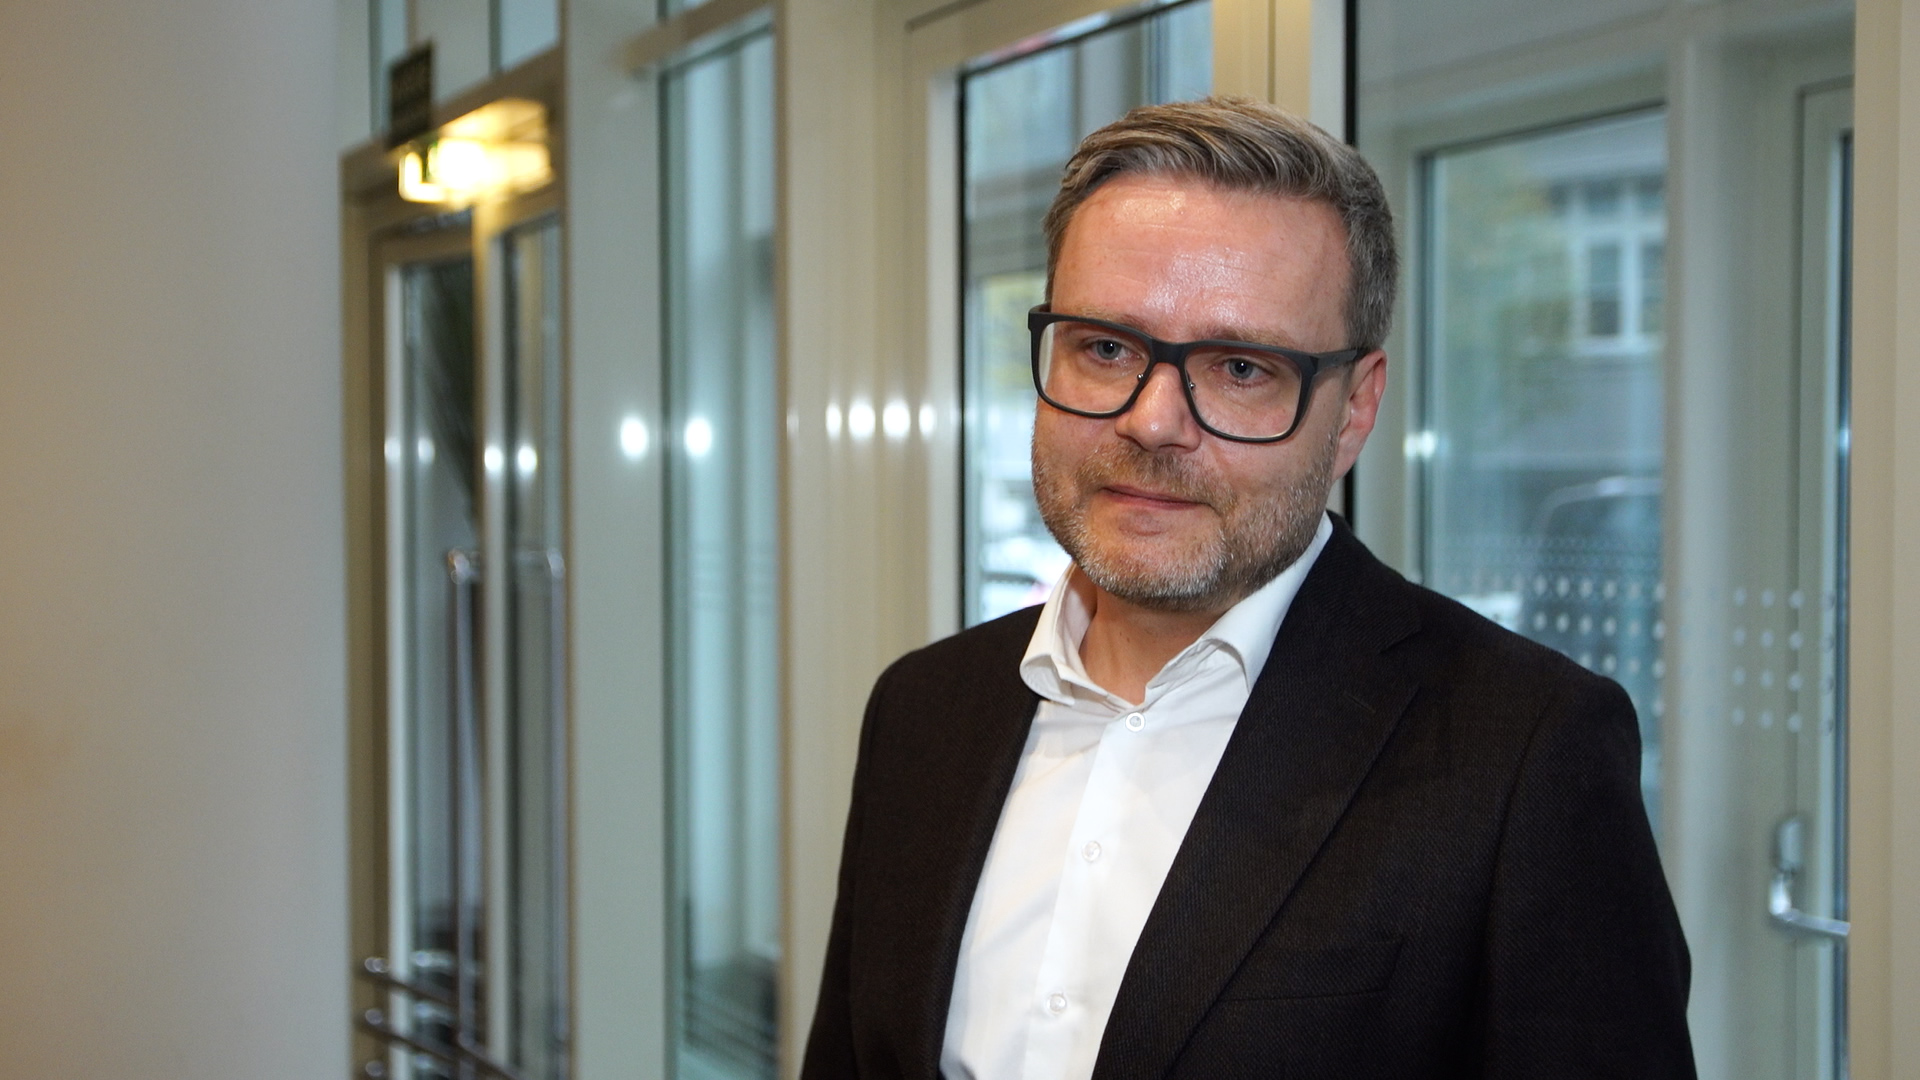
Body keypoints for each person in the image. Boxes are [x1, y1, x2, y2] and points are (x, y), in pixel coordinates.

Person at [800, 96, 1694, 1080]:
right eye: (1106, 348)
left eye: (1238, 368)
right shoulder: (921, 710)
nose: (1152, 421)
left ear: (1355, 410)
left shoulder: (1521, 755)